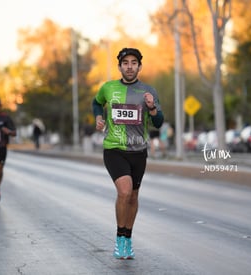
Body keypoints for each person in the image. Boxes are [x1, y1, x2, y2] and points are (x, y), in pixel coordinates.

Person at [92, 47, 164, 259]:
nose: (130, 66)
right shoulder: (108, 88)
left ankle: (128, 238)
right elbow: (96, 103)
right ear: (120, 67)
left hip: (138, 151)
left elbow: (158, 123)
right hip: (114, 149)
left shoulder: (148, 92)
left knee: (133, 196)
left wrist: (152, 108)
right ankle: (119, 238)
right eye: (126, 63)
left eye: (134, 63)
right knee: (124, 191)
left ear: (139, 66)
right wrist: (98, 117)